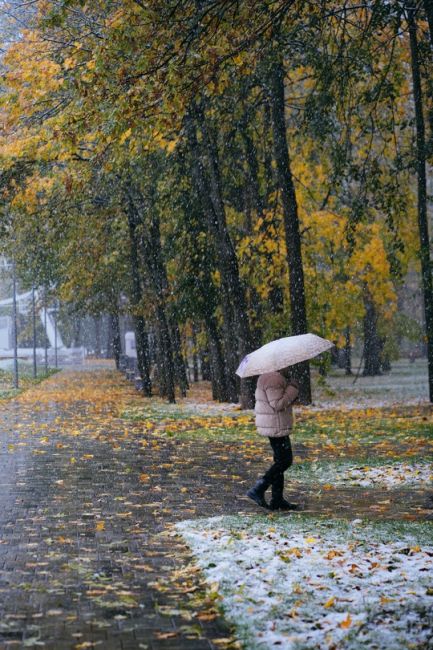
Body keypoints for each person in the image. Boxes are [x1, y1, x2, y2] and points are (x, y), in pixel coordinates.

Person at [247, 367, 299, 511]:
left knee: (280, 461)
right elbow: (277, 404)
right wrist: (292, 389)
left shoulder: (268, 376)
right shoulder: (273, 379)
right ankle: (259, 488)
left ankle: (277, 500)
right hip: (276, 425)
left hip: (275, 424)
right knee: (285, 461)